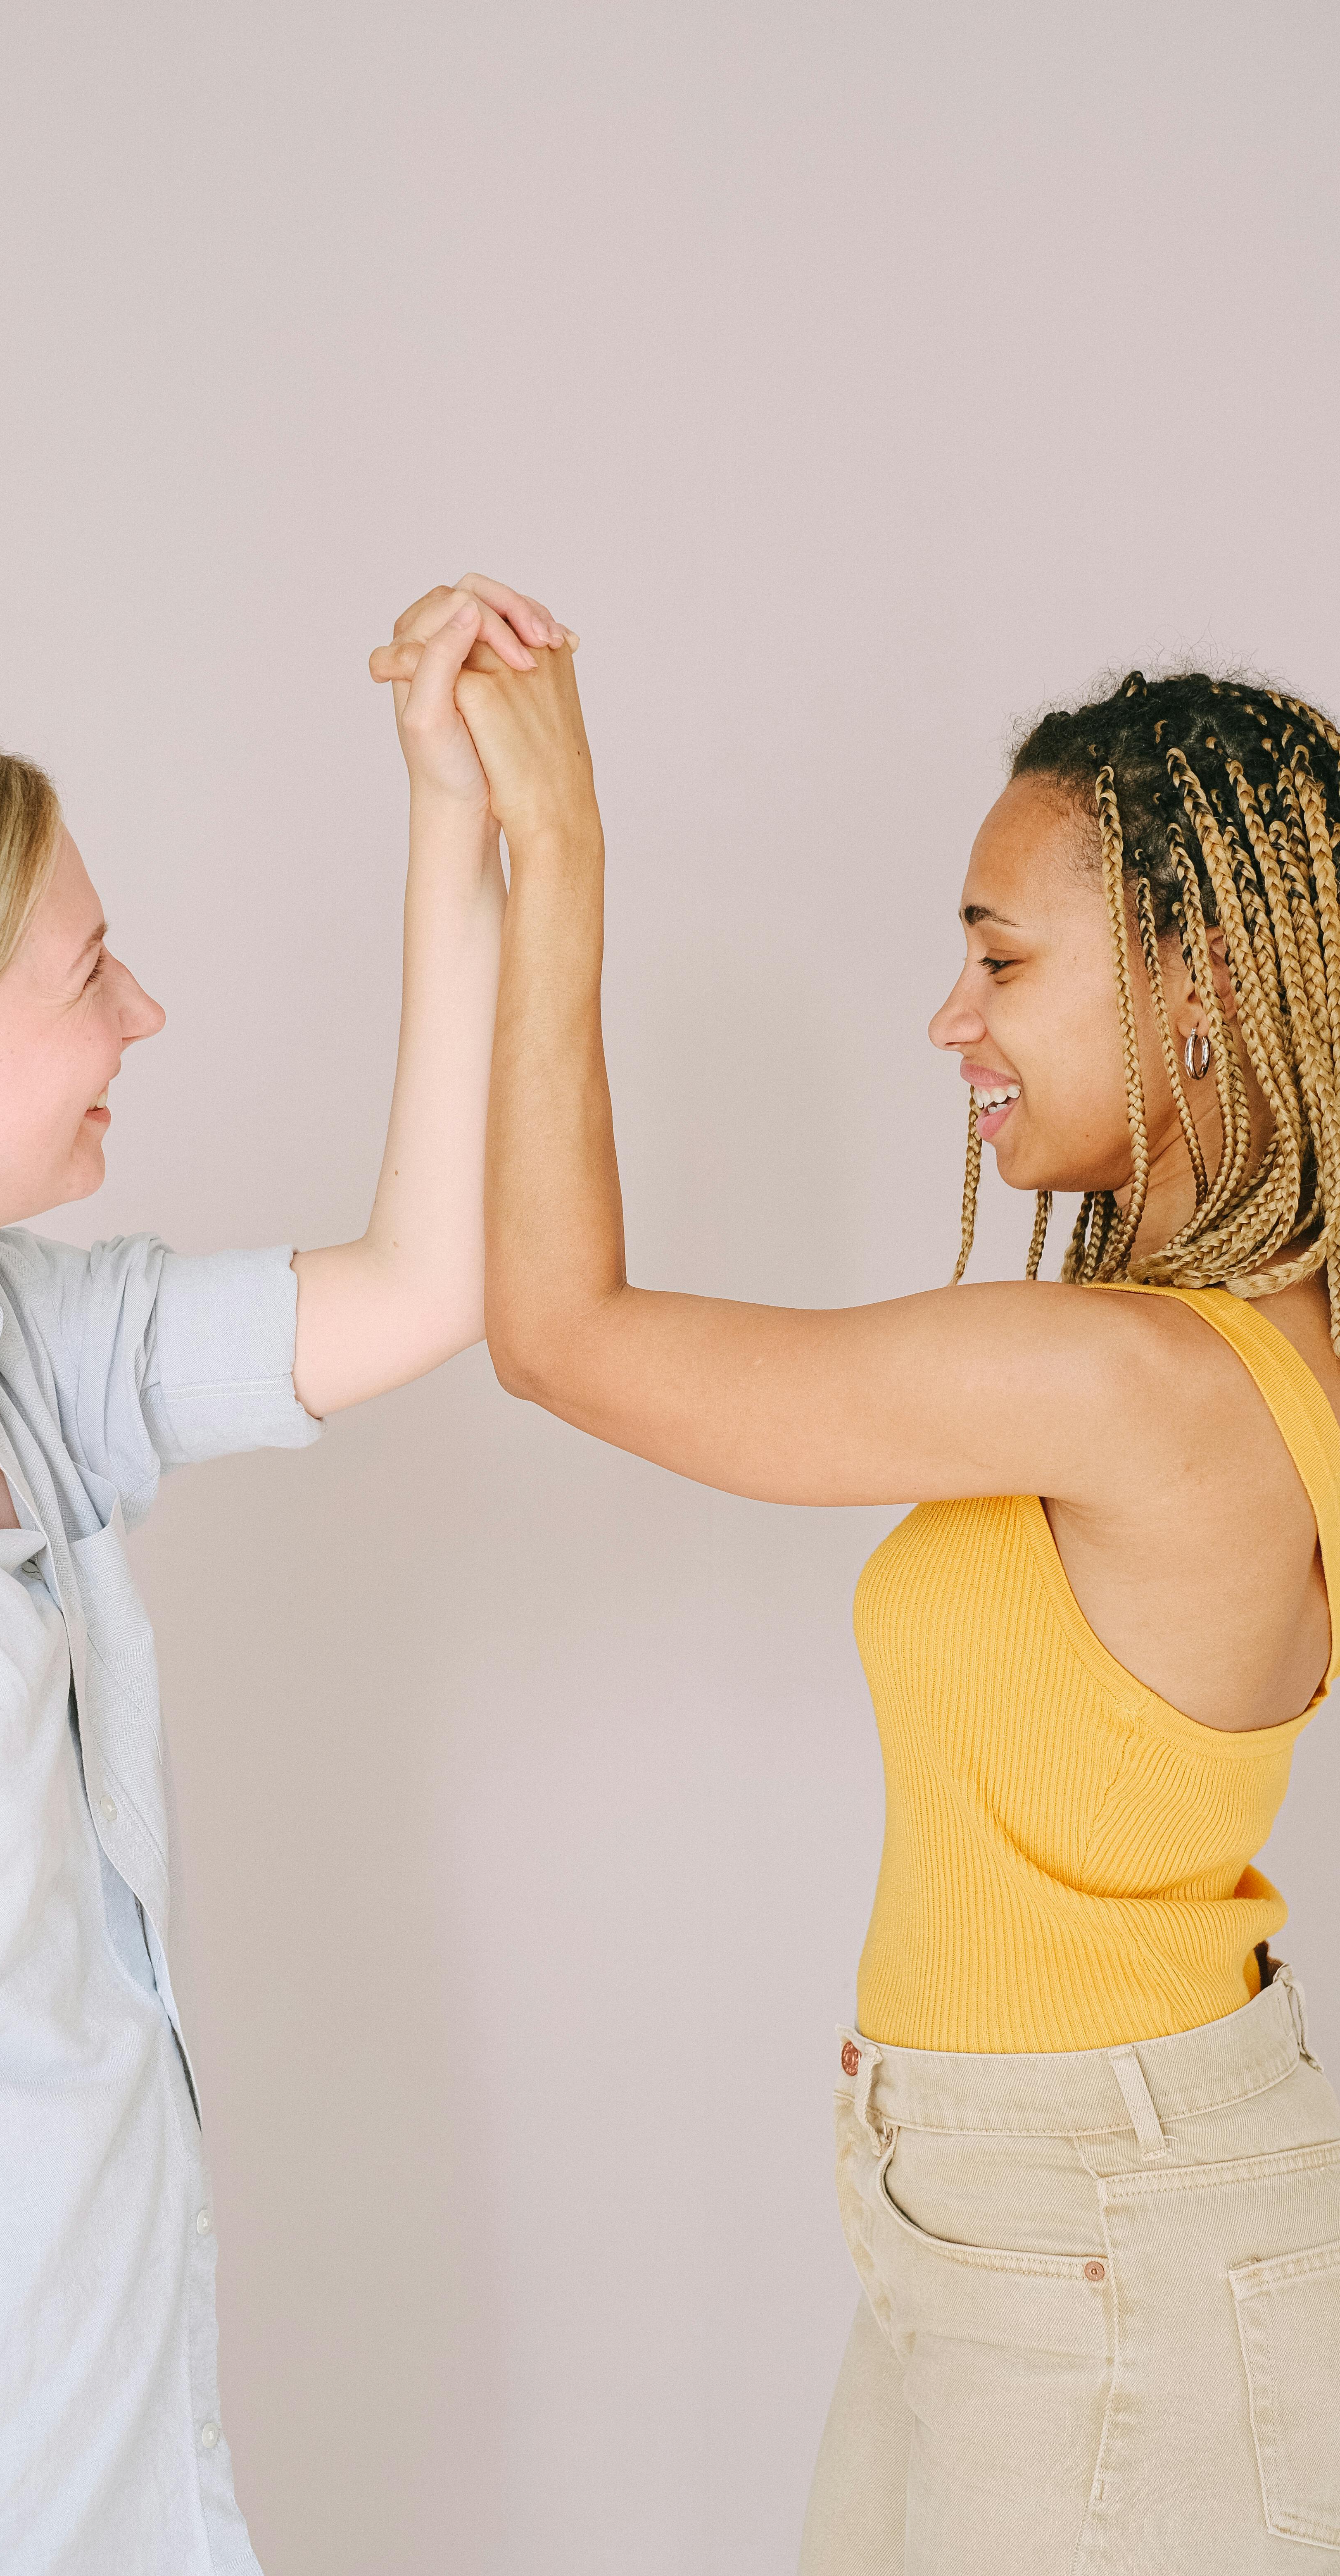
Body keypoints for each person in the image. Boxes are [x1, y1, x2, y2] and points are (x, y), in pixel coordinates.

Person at [0, 572, 570, 2576]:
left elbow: (423, 1285)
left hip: (102, 2502)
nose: (142, 1011)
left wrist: (451, 814)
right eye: (89, 972)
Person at [390, 619, 1340, 2572]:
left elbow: (558, 1338)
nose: (949, 1019)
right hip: (1042, 2189)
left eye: (1000, 960)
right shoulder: (1228, 1343)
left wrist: (551, 839)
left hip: (1100, 2225)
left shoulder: (1125, 1381)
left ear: (1199, 986)